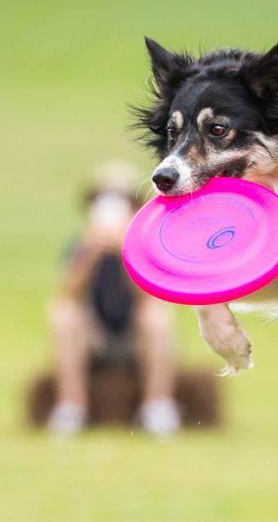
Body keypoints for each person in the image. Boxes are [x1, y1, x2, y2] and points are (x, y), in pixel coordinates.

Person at [47, 164, 179, 436]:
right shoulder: (81, 244)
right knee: (62, 313)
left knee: (156, 315)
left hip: (134, 336)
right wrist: (91, 252)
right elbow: (69, 292)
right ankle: (71, 407)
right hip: (95, 336)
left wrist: (126, 251)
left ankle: (157, 407)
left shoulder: (147, 245)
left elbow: (150, 295)